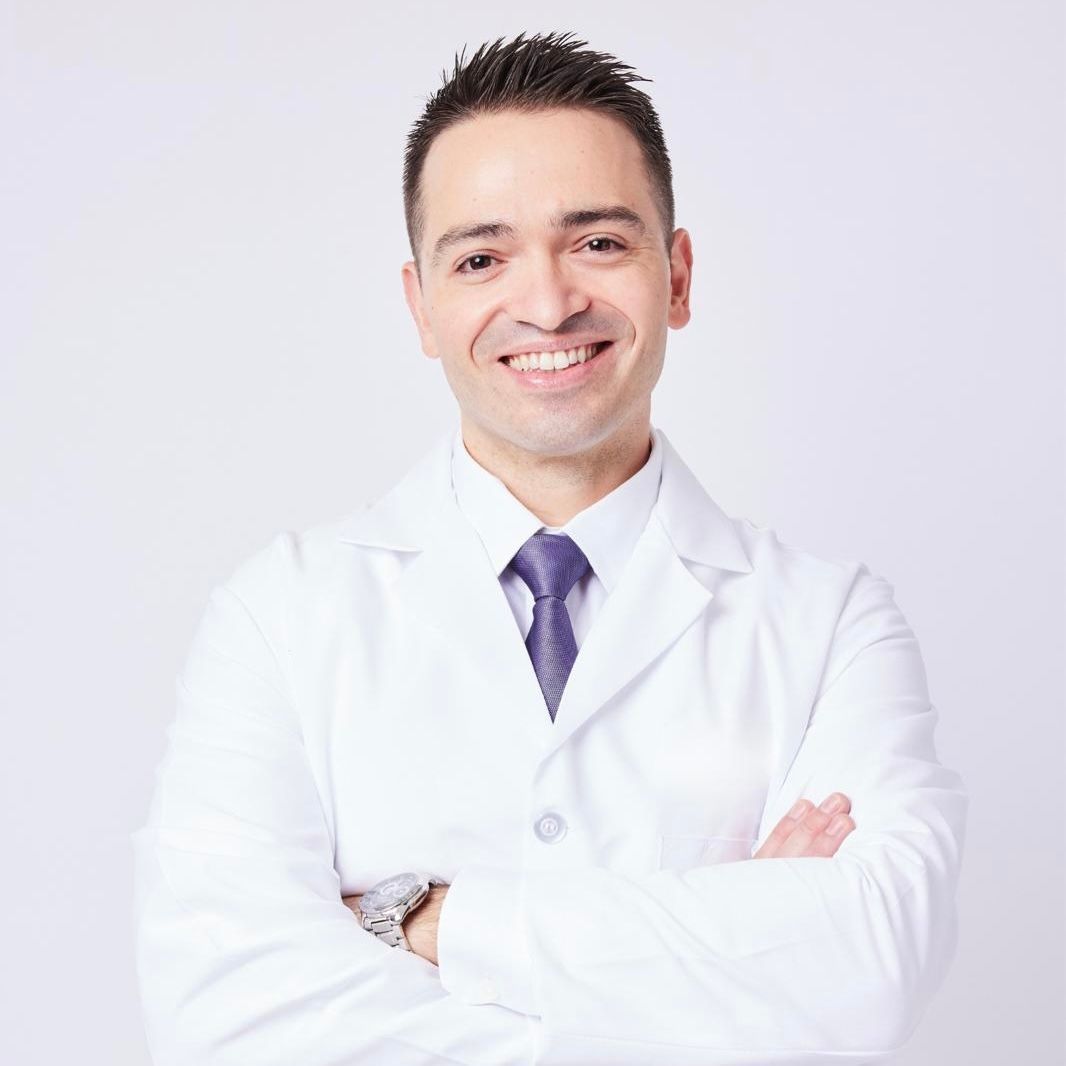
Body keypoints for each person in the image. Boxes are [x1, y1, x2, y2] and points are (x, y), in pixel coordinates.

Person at [132, 30, 968, 1066]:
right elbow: (227, 1018)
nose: (546, 301)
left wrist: (430, 922)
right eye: (481, 257)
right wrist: (732, 945)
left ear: (678, 276)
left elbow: (866, 971)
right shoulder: (282, 616)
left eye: (599, 243)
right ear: (421, 307)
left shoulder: (829, 624)